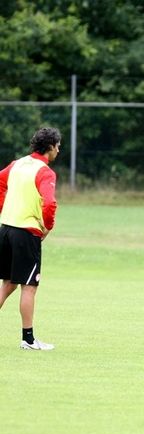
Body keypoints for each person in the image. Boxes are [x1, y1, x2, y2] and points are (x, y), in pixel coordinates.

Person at [0, 127, 61, 351]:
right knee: (29, 286)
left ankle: (28, 339)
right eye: (58, 146)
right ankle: (28, 339)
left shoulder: (18, 163)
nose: (58, 151)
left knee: (8, 284)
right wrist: (47, 227)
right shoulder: (45, 172)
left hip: (6, 229)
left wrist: (2, 209)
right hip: (26, 233)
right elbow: (50, 203)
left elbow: (0, 181)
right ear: (51, 147)